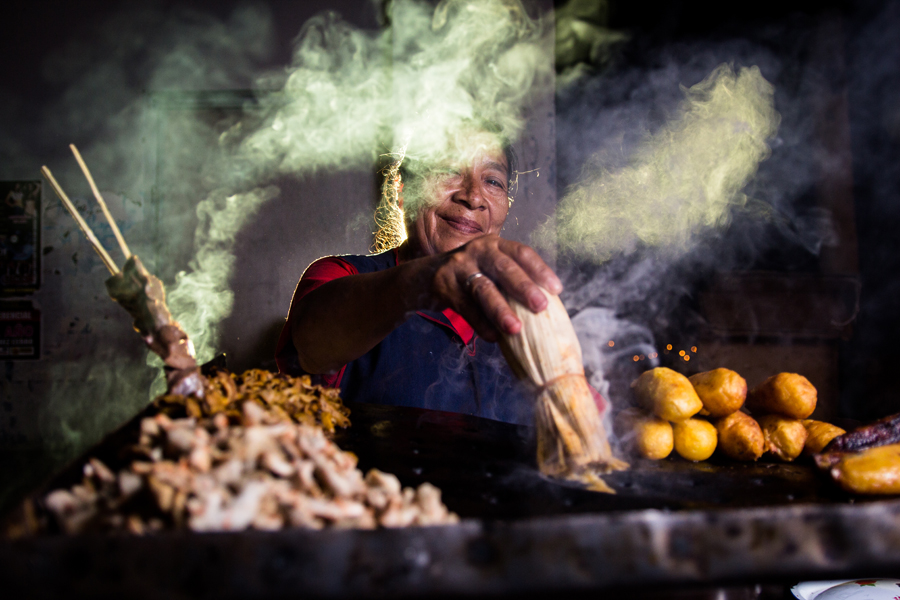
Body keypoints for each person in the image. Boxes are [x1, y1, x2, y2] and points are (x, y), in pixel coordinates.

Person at [275, 126, 562, 425]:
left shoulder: (525, 312)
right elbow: (310, 346)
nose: (473, 196)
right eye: (449, 170)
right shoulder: (342, 275)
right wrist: (425, 278)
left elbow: (575, 406)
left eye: (492, 181)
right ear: (402, 189)